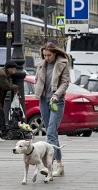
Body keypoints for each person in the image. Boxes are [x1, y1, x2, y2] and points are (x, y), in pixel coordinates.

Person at [35, 42, 70, 177]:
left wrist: (56, 95)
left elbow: (65, 83)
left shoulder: (63, 63)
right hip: (43, 101)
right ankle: (60, 166)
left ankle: (49, 165)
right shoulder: (41, 64)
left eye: (49, 55)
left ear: (55, 53)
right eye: (44, 55)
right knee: (52, 134)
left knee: (50, 132)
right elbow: (38, 79)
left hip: (57, 101)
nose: (47, 57)